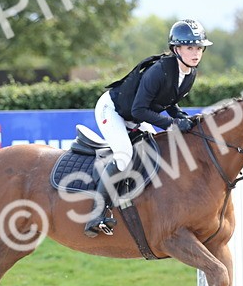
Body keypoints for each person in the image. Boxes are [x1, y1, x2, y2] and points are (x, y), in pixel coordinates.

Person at [84, 18, 212, 237]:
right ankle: (96, 213)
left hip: (134, 113)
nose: (196, 53)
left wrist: (180, 116)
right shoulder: (159, 70)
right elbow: (139, 111)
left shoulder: (190, 73)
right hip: (113, 110)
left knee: (155, 151)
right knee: (124, 155)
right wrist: (172, 124)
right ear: (176, 49)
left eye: (199, 48)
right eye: (190, 47)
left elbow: (168, 101)